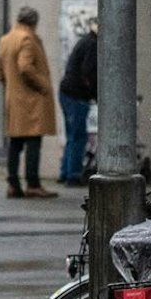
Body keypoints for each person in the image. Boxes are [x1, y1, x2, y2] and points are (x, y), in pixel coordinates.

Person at [0, 6, 59, 199]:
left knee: (15, 143)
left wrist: (10, 85)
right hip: (30, 100)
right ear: (33, 22)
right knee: (33, 141)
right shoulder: (27, 39)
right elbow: (25, 68)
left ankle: (13, 184)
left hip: (14, 98)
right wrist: (43, 85)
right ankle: (33, 184)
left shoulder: (6, 39)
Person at [57, 18, 98, 187]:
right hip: (77, 95)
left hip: (67, 92)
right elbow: (88, 71)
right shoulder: (92, 44)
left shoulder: (85, 41)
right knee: (79, 136)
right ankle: (73, 175)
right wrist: (96, 93)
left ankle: (65, 172)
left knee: (71, 136)